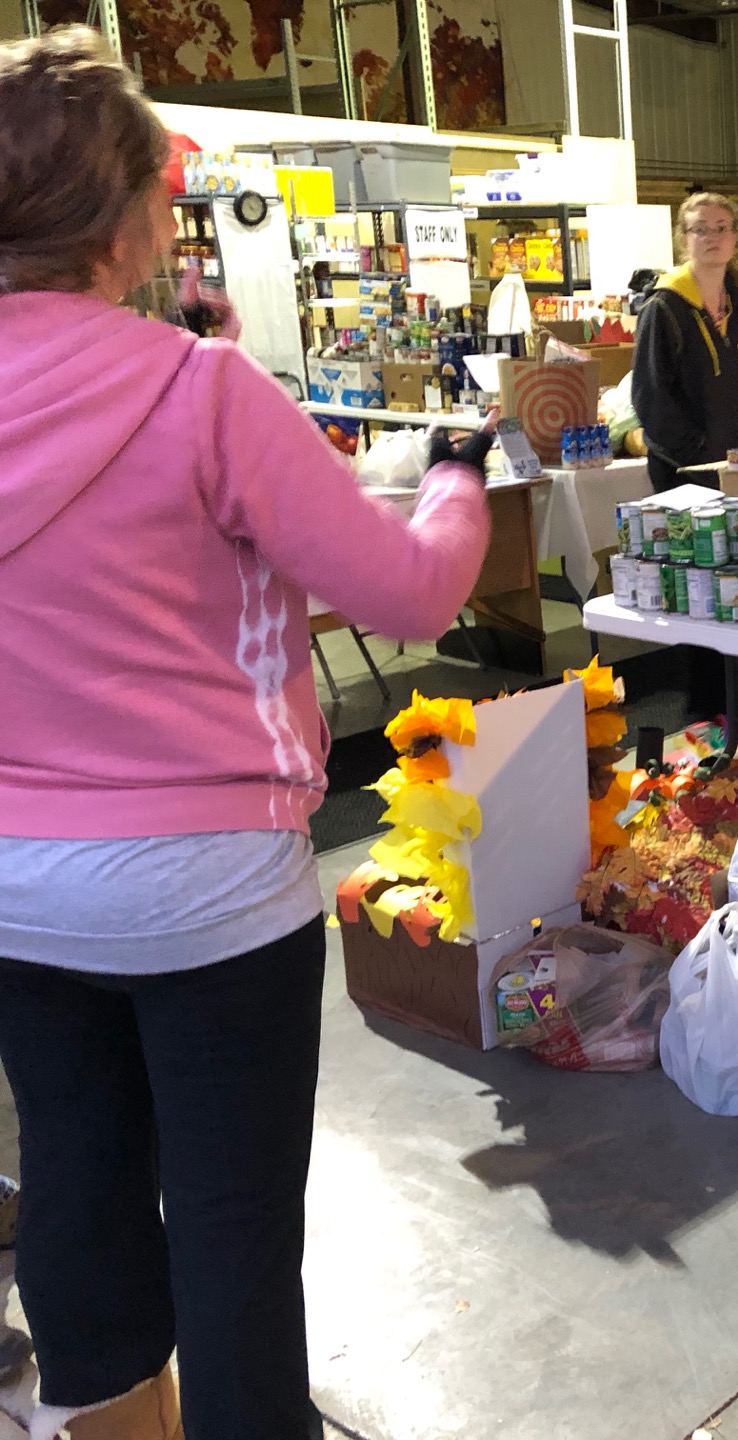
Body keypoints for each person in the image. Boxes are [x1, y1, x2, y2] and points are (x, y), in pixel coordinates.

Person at [0, 28, 493, 1440]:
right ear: (135, 212)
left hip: (20, 888)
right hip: (211, 889)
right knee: (230, 1231)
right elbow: (406, 588)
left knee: (77, 1189)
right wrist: (457, 475)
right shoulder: (202, 392)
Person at [630, 191, 738, 493]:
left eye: (722, 228)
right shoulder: (663, 307)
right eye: (700, 229)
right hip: (683, 472)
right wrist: (696, 452)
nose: (713, 237)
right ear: (684, 239)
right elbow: (650, 396)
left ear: (735, 237)